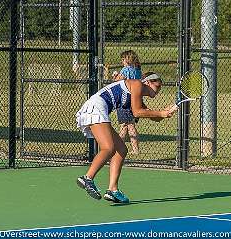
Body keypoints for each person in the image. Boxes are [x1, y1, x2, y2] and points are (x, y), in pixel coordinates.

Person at [75, 72, 177, 203]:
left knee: (121, 150)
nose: (159, 88)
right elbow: (137, 112)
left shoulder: (136, 94)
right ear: (148, 82)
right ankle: (87, 178)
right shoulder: (137, 84)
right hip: (96, 107)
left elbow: (151, 116)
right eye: (158, 85)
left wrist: (167, 112)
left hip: (98, 109)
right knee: (108, 148)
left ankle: (113, 190)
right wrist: (161, 113)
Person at [113, 50, 142, 154]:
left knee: (126, 125)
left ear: (128, 59)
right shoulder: (138, 70)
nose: (122, 61)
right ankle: (130, 149)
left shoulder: (125, 70)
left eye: (123, 59)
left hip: (124, 99)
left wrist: (115, 75)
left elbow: (118, 80)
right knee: (128, 125)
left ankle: (126, 149)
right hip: (135, 98)